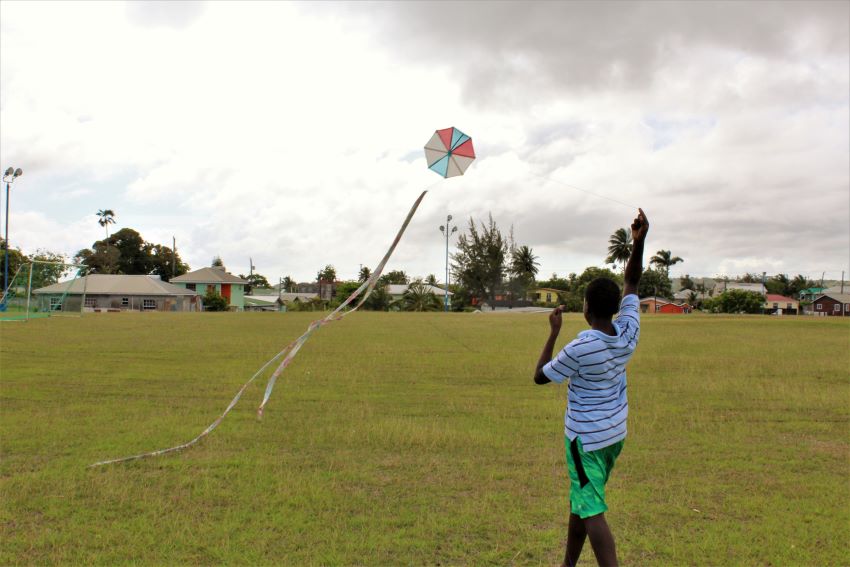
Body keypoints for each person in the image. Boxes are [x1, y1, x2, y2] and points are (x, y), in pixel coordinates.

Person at [533, 209, 649, 567]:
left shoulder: (581, 347)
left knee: (592, 510)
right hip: (613, 437)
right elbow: (631, 281)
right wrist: (638, 242)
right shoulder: (628, 330)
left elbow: (540, 376)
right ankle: (568, 563)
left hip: (585, 441)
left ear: (586, 308)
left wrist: (552, 333)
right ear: (616, 307)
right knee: (582, 499)